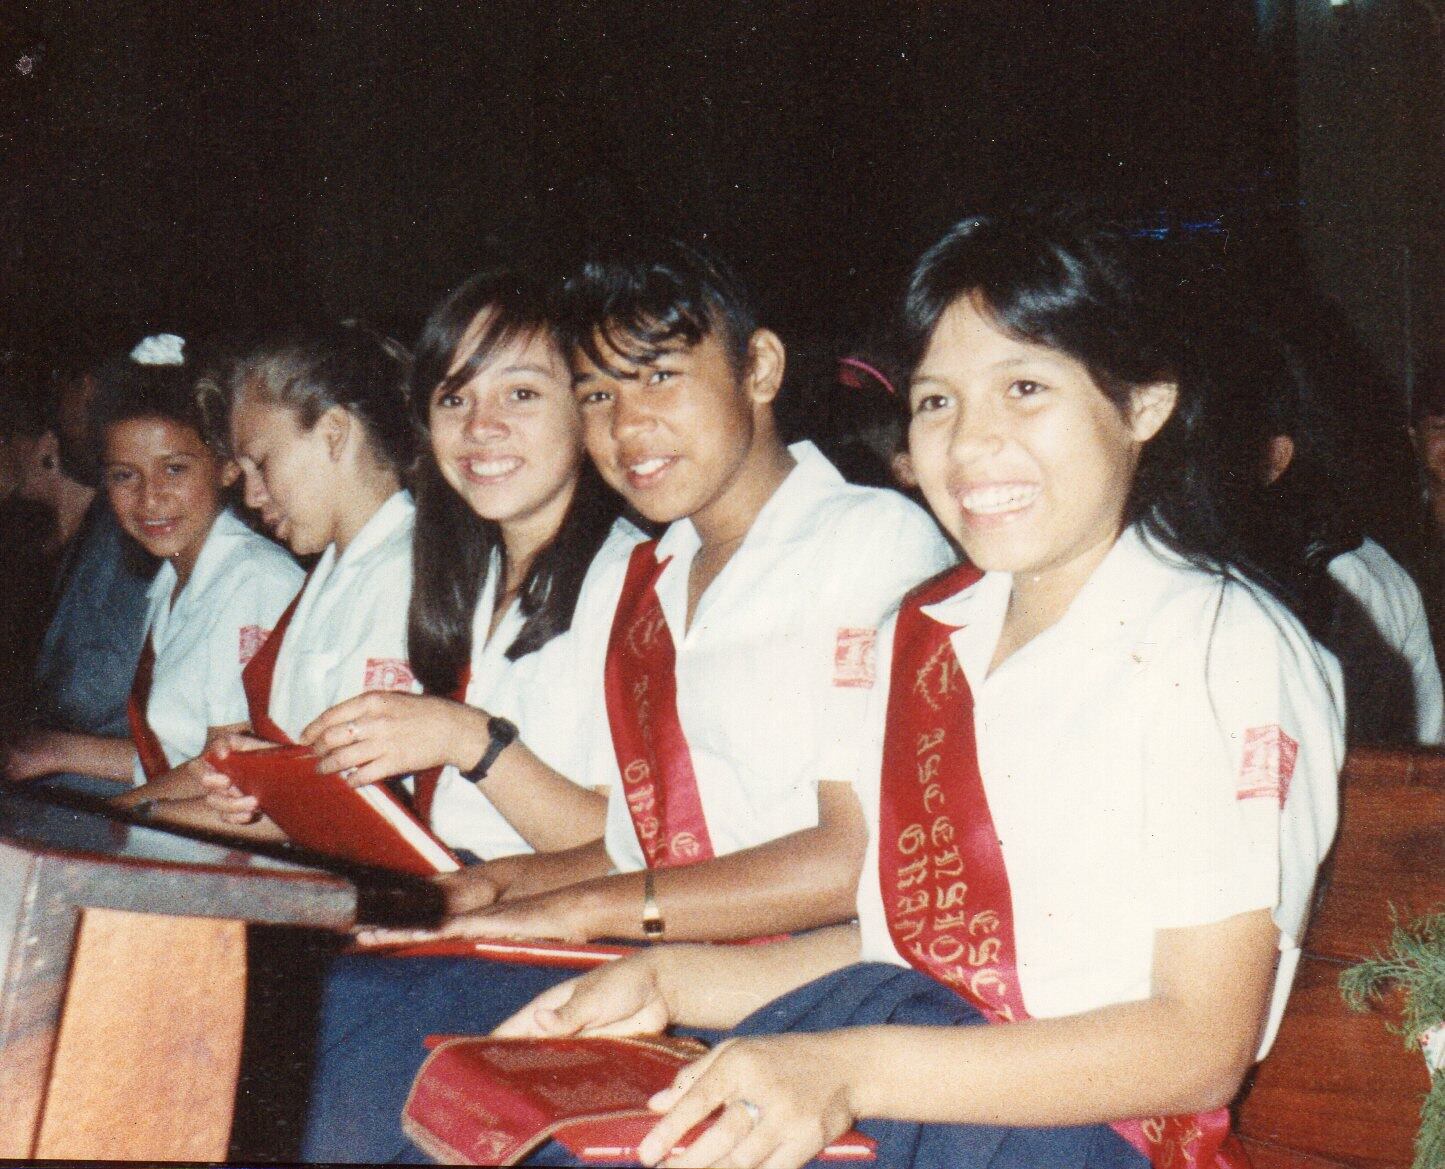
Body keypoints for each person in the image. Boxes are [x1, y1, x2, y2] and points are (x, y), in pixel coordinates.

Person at [495, 210, 1345, 1169]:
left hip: (1085, 1139)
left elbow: (1196, 1047)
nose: (970, 443)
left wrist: (844, 1069)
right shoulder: (929, 629)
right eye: (937, 401)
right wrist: (667, 981)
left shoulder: (1220, 644)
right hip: (926, 1081)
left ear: (1142, 405)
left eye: (1024, 388)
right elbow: (905, 947)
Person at [297, 239, 953, 1165]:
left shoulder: (870, 542)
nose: (628, 425)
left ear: (759, 368)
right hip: (665, 959)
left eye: (658, 377)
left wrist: (578, 910)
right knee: (342, 1006)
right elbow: (634, 840)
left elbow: (852, 861)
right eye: (598, 394)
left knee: (383, 1055)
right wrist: (481, 890)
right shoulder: (649, 576)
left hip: (803, 981)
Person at [127, 322, 420, 825]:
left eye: (261, 464)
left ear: (333, 434)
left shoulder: (402, 575)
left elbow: (351, 808)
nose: (251, 495)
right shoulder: (336, 572)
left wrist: (138, 816)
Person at [4, 340, 155, 795]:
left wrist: (43, 743)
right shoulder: (66, 543)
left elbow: (87, 694)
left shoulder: (120, 542)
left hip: (98, 794)